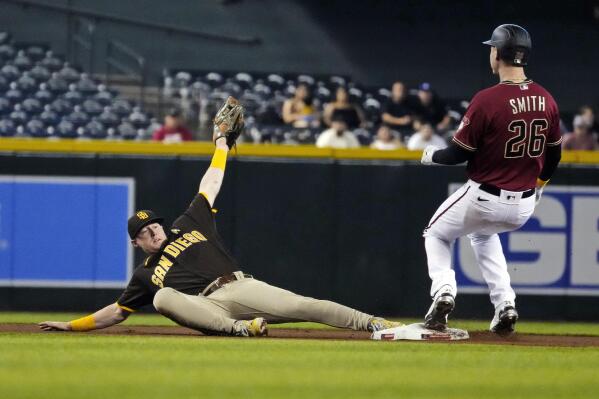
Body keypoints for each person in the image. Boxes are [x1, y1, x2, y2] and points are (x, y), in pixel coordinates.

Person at [39, 98, 399, 337]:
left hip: (239, 287)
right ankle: (240, 330)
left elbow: (210, 182)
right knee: (163, 298)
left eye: (155, 225)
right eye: (146, 233)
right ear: (136, 243)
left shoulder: (187, 224)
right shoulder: (145, 274)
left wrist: (221, 146)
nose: (155, 232)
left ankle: (377, 324)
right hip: (204, 305)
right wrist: (71, 326)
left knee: (306, 305)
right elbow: (117, 312)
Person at [419, 24, 562, 336]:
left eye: (492, 48)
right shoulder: (546, 99)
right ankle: (505, 305)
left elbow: (457, 153)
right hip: (524, 203)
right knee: (483, 236)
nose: (490, 53)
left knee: (436, 234)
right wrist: (539, 187)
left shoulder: (488, 99)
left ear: (498, 53)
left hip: (485, 196)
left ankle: (443, 292)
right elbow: (553, 157)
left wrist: (431, 155)